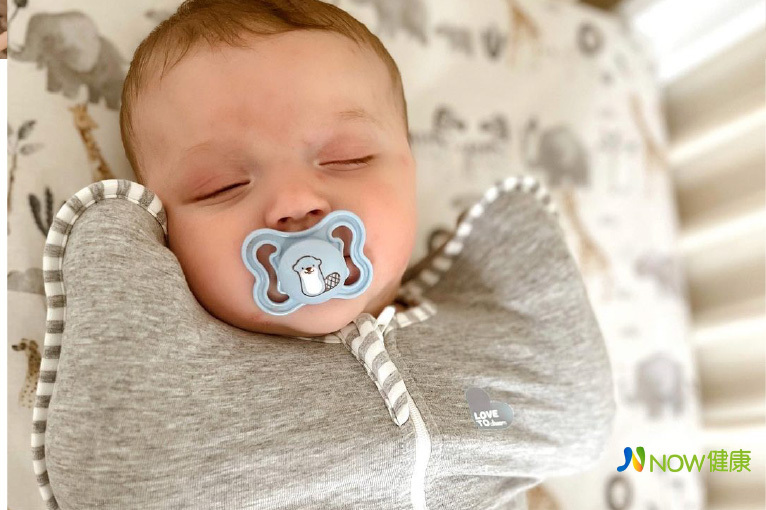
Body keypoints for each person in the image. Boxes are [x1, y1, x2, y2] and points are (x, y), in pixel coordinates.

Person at [120, 0, 415, 337]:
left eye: (347, 159)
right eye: (223, 186)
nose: (295, 203)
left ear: (411, 165)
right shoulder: (162, 351)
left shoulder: (469, 302)